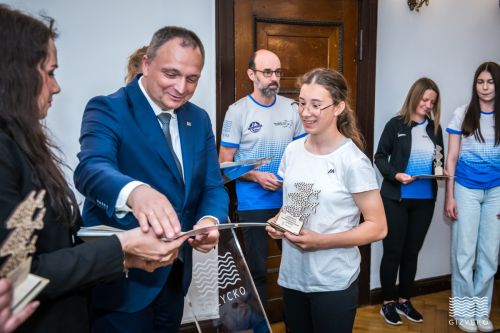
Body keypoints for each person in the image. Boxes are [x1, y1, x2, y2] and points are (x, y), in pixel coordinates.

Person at [0, 5, 187, 333]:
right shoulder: (7, 149)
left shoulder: (22, 144)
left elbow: (45, 253)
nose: (56, 87)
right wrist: (122, 247)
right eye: (50, 71)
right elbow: (14, 278)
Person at [74, 26, 229, 332]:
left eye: (192, 78)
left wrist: (210, 219)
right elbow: (90, 169)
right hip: (123, 283)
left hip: (174, 274)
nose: (181, 87)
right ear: (146, 64)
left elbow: (212, 184)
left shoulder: (198, 118)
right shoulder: (109, 108)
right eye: (171, 74)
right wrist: (135, 192)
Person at [266, 68, 387, 333]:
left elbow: (378, 227)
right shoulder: (293, 150)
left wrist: (322, 241)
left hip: (333, 282)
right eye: (302, 103)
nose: (306, 112)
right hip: (293, 277)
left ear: (338, 107)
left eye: (316, 105)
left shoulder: (353, 161)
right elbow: (295, 206)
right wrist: (279, 222)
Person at [219, 49, 305, 310]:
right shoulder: (237, 112)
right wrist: (255, 176)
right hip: (253, 203)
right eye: (267, 72)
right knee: (257, 270)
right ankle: (262, 326)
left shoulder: (293, 109)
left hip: (290, 202)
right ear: (251, 74)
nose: (274, 78)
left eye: (277, 72)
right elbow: (223, 166)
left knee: (297, 266)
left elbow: (304, 155)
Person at [374, 77, 443, 326]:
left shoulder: (434, 129)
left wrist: (441, 171)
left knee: (411, 253)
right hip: (396, 199)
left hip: (425, 201)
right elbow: (379, 157)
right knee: (393, 252)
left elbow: (438, 160)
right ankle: (387, 304)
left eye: (432, 101)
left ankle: (404, 300)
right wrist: (395, 174)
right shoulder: (396, 125)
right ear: (414, 97)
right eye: (424, 99)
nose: (427, 104)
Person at [445, 61, 500, 333]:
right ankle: (464, 313)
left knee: (489, 255)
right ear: (475, 85)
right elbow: (452, 159)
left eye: (490, 82)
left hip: (496, 192)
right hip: (465, 189)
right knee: (464, 254)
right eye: (481, 82)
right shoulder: (462, 114)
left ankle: (481, 312)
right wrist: (450, 198)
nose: (485, 87)